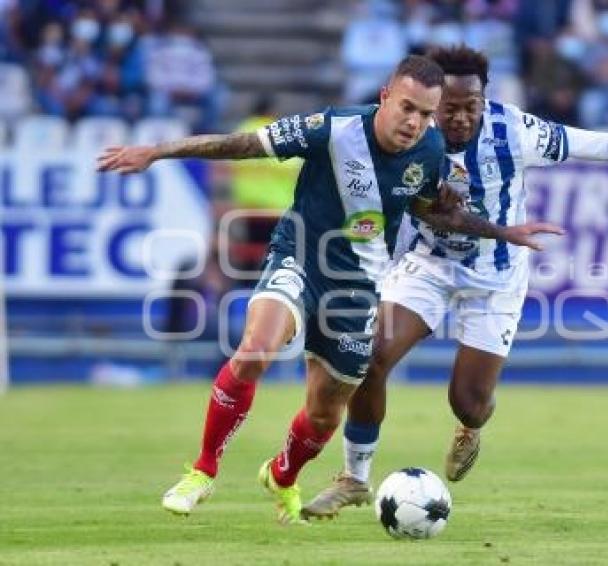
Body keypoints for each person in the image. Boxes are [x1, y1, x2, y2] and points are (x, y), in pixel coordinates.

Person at [97, 54, 560, 524]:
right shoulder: (332, 129)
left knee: (324, 415)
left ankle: (282, 473)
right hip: (300, 259)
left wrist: (504, 232)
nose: (415, 122)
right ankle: (202, 471)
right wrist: (157, 151)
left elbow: (434, 211)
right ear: (385, 97)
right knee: (255, 349)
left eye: (425, 113)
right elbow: (241, 145)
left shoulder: (431, 151)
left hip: (357, 288)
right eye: (407, 108)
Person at [302, 45, 608, 519]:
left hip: (497, 274)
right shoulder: (404, 129)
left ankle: (471, 427)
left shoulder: (518, 132)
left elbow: (604, 145)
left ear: (485, 101)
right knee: (372, 358)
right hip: (427, 263)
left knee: (468, 403)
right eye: (451, 108)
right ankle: (354, 478)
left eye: (472, 106)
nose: (462, 118)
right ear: (431, 104)